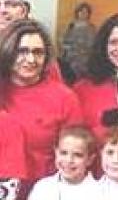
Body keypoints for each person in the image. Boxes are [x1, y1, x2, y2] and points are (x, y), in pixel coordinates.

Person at [0, 20, 83, 187]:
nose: (30, 59)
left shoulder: (65, 98)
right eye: (22, 51)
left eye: (38, 52)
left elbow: (77, 154)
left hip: (42, 193)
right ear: (8, 52)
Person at [58, 2, 96, 82]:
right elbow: (64, 41)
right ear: (77, 13)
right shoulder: (71, 26)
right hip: (71, 59)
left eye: (85, 12)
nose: (83, 14)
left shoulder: (91, 28)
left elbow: (93, 44)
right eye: (81, 11)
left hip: (85, 60)